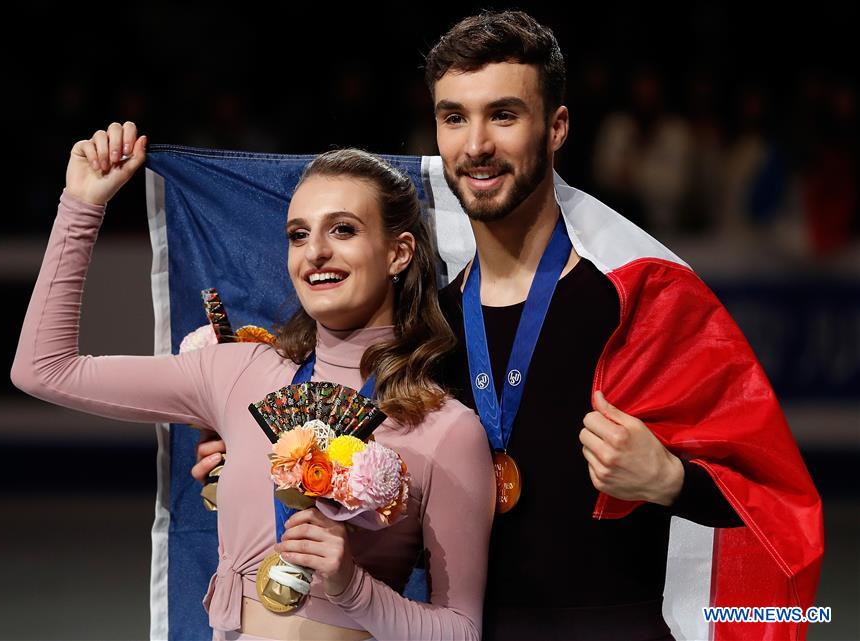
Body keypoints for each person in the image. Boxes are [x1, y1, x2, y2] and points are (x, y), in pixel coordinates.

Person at [194, 11, 823, 641]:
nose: (475, 146)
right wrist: (250, 461)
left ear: (556, 127)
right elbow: (378, 512)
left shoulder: (636, 301)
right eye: (454, 117)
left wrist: (673, 481)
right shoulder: (425, 324)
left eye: (503, 115)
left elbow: (778, 507)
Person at [11, 123, 495, 641]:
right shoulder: (238, 372)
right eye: (298, 235)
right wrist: (82, 205)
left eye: (343, 230)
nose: (315, 252)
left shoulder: (447, 429)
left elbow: (461, 630)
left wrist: (353, 588)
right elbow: (44, 369)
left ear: (398, 253)